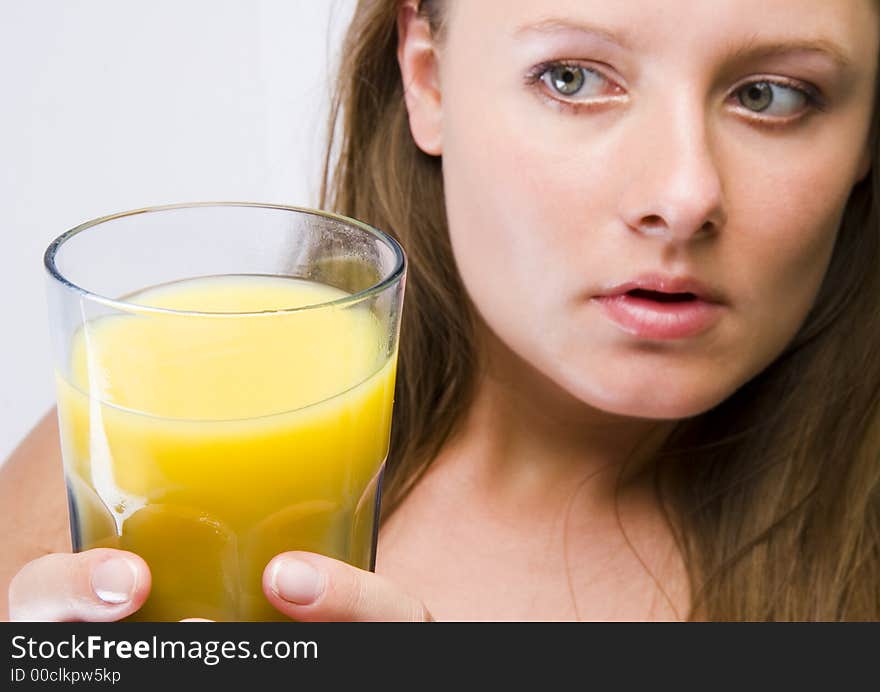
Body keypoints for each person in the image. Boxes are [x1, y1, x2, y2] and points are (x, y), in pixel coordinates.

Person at [3, 0, 879, 622]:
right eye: (572, 78)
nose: (684, 195)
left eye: (772, 95)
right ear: (427, 76)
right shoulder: (132, 455)